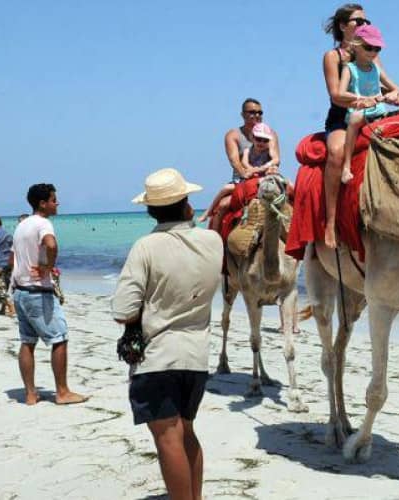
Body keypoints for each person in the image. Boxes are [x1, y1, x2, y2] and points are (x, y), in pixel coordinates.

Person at [113, 168, 223, 500]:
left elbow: (123, 311)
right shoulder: (213, 241)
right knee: (187, 431)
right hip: (197, 356)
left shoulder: (146, 247)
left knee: (167, 437)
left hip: (158, 357)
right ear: (187, 205)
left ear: (150, 210)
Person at [321, 4, 399, 248]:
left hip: (374, 112)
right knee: (336, 153)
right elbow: (336, 95)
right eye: (358, 21)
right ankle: (330, 223)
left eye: (366, 22)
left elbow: (386, 85)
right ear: (342, 26)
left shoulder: (373, 54)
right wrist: (361, 100)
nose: (364, 25)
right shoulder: (333, 57)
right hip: (342, 117)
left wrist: (394, 95)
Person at [11, 183, 87, 405]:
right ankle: (62, 392)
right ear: (43, 203)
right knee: (59, 339)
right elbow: (51, 245)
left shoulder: (22, 225)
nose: (57, 203)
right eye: (54, 200)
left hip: (20, 290)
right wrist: (48, 266)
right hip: (37, 291)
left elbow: (12, 257)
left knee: (27, 342)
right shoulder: (43, 223)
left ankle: (30, 394)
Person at [338, 24, 399, 184]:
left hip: (380, 112)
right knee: (355, 118)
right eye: (368, 47)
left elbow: (396, 88)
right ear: (356, 45)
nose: (373, 52)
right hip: (362, 114)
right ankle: (347, 166)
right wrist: (363, 99)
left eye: (377, 49)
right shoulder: (350, 69)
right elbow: (340, 93)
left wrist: (393, 95)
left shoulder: (376, 68)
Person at [202, 98, 281, 232]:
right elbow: (235, 161)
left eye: (260, 112)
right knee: (222, 206)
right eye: (252, 112)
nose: (257, 115)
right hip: (243, 180)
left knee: (292, 197)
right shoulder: (233, 135)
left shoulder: (270, 134)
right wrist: (247, 174)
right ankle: (215, 240)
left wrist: (268, 168)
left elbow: (276, 158)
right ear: (243, 114)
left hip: (267, 179)